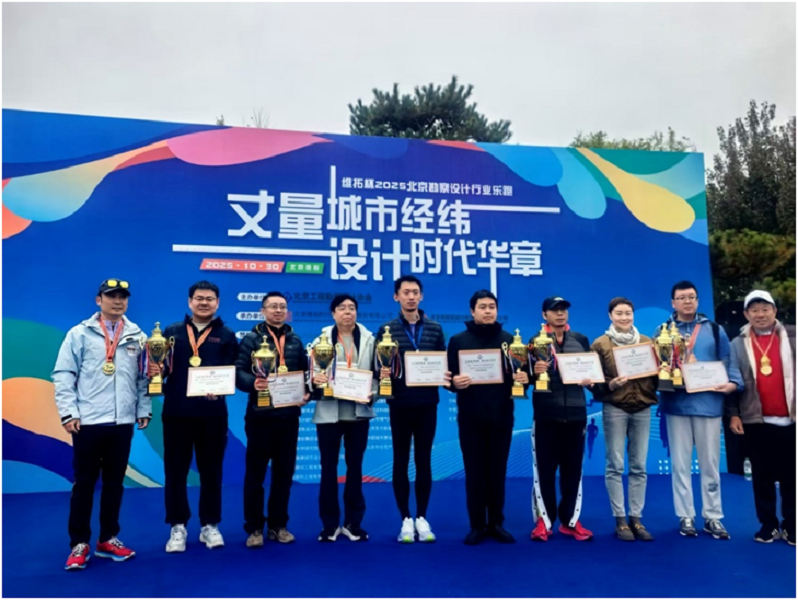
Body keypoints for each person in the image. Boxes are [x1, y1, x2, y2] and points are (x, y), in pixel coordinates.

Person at [53, 279, 151, 570]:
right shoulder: (79, 333)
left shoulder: (138, 336)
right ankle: (79, 543)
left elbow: (144, 377)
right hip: (88, 422)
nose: (117, 302)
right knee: (84, 483)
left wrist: (143, 409)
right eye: (111, 297)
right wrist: (69, 413)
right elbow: (63, 374)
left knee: (114, 484)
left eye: (122, 297)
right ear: (99, 300)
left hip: (122, 422)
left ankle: (108, 538)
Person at [659, 280, 743, 540]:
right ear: (673, 302)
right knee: (680, 465)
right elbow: (658, 365)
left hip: (709, 403)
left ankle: (713, 516)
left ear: (697, 300)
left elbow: (729, 362)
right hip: (676, 405)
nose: (687, 302)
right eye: (682, 298)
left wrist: (733, 383)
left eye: (691, 297)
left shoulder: (714, 330)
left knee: (710, 465)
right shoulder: (663, 331)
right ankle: (685, 515)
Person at [159, 281, 238, 552]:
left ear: (217, 303)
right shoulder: (171, 332)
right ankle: (177, 525)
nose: (204, 303)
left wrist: (222, 389)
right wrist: (156, 371)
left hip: (212, 415)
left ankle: (210, 525)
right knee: (175, 471)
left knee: (212, 472)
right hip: (177, 413)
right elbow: (161, 368)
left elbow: (234, 371)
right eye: (199, 298)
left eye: (210, 299)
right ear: (190, 302)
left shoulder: (227, 335)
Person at [447, 290, 527, 545]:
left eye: (492, 306)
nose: (488, 311)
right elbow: (448, 378)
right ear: (472, 311)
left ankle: (496, 523)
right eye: (482, 307)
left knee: (497, 471)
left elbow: (522, 378)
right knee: (474, 472)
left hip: (501, 416)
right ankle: (476, 525)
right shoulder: (458, 340)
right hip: (470, 417)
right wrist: (454, 383)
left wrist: (524, 378)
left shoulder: (509, 340)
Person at [377, 275, 449, 544]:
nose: (411, 296)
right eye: (405, 292)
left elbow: (443, 362)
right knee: (400, 459)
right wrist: (383, 372)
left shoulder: (435, 328)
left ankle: (421, 516)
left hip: (427, 404)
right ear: (396, 296)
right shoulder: (386, 330)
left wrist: (446, 375)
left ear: (421, 296)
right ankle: (405, 518)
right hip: (399, 404)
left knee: (423, 460)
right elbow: (378, 366)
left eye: (415, 292)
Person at [235, 291, 309, 548]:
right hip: (260, 416)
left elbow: (305, 373)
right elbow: (239, 371)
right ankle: (254, 527)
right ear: (263, 310)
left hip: (288, 416)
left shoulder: (295, 339)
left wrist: (307, 393)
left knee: (284, 474)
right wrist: (253, 383)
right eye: (273, 306)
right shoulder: (251, 339)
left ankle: (279, 525)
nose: (278, 310)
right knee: (255, 475)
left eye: (282, 307)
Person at [728, 290, 795, 545]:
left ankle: (792, 525)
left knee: (792, 477)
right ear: (746, 314)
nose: (760, 314)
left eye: (765, 309)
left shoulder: (793, 335)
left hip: (791, 421)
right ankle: (768, 525)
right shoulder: (737, 344)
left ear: (774, 311)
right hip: (756, 421)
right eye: (754, 310)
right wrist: (734, 414)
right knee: (761, 477)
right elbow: (732, 380)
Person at [310, 294, 377, 542]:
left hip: (358, 414)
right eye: (342, 308)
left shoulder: (370, 340)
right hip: (329, 413)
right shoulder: (320, 340)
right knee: (328, 468)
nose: (347, 312)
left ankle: (353, 523)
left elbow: (380, 374)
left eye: (351, 308)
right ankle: (329, 525)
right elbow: (311, 372)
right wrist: (315, 380)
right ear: (333, 314)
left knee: (355, 467)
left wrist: (372, 394)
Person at [591, 297, 658, 542]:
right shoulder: (600, 344)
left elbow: (656, 378)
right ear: (610, 316)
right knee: (615, 465)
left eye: (628, 313)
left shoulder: (647, 342)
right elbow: (593, 381)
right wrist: (610, 385)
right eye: (619, 313)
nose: (624, 317)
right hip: (615, 407)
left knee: (639, 466)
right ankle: (620, 519)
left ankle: (636, 518)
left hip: (642, 408)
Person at [528, 296, 594, 542]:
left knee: (573, 471)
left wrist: (590, 380)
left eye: (563, 309)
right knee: (544, 471)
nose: (560, 314)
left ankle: (570, 521)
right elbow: (522, 377)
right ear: (544, 314)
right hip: (546, 414)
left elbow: (591, 371)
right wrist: (532, 372)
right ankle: (544, 522)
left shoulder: (580, 340)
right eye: (554, 310)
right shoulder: (534, 341)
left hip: (576, 415)